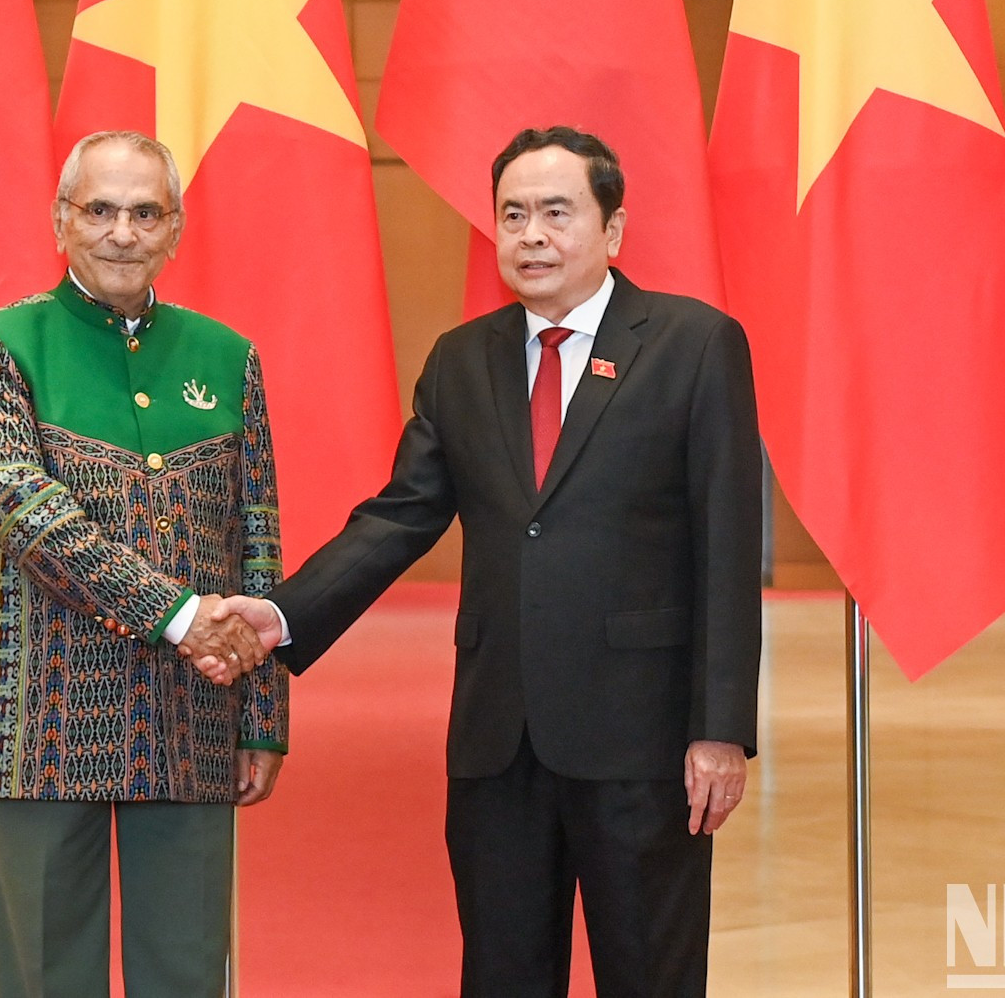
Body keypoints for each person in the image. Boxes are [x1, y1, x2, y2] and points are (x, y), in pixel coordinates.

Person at [218, 126, 762, 997]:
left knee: (651, 976)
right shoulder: (462, 358)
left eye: (557, 211)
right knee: (502, 975)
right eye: (513, 215)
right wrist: (282, 612)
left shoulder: (695, 345)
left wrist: (722, 726)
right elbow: (401, 516)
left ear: (612, 230)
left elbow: (728, 546)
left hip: (643, 742)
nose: (532, 234)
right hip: (496, 744)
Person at [0, 129, 284, 998]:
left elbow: (257, 539)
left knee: (187, 973)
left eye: (146, 212)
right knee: (46, 977)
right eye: (100, 209)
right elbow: (28, 513)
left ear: (175, 230)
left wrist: (263, 717)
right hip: (45, 718)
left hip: (194, 715)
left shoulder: (227, 356)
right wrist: (181, 615)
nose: (122, 232)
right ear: (61, 221)